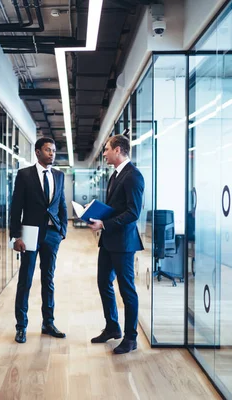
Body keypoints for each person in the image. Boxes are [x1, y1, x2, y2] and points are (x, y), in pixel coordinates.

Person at [88, 134, 144, 354]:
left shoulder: (133, 176)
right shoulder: (115, 176)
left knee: (127, 290)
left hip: (123, 243)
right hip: (109, 242)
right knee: (103, 282)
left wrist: (105, 224)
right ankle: (112, 327)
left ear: (118, 150)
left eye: (107, 149)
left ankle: (131, 338)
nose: (104, 153)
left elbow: (133, 212)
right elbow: (117, 207)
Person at [10, 137, 67, 344]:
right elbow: (16, 207)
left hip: (52, 235)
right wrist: (16, 236)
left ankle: (48, 323)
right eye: (47, 150)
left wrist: (62, 231)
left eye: (53, 150)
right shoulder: (24, 175)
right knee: (25, 280)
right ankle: (21, 326)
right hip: (30, 233)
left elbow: (61, 204)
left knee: (48, 280)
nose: (51, 153)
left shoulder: (59, 176)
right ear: (37, 152)